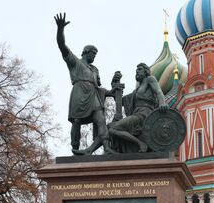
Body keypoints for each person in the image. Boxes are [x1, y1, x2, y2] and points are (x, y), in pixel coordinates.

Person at [54, 12, 117, 155]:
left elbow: (99, 88)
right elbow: (62, 45)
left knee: (100, 118)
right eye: (93, 53)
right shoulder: (75, 62)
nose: (94, 56)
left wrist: (110, 93)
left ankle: (107, 147)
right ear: (86, 52)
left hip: (93, 96)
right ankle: (75, 149)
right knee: (76, 121)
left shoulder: (95, 69)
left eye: (95, 54)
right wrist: (60, 29)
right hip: (79, 93)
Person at [109, 63, 169, 153]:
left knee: (113, 129)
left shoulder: (150, 79)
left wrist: (162, 103)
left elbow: (159, 92)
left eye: (140, 69)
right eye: (136, 71)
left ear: (146, 71)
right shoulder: (136, 91)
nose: (137, 72)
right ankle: (138, 143)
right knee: (110, 127)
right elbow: (120, 101)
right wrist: (114, 85)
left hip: (145, 114)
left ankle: (140, 143)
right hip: (137, 114)